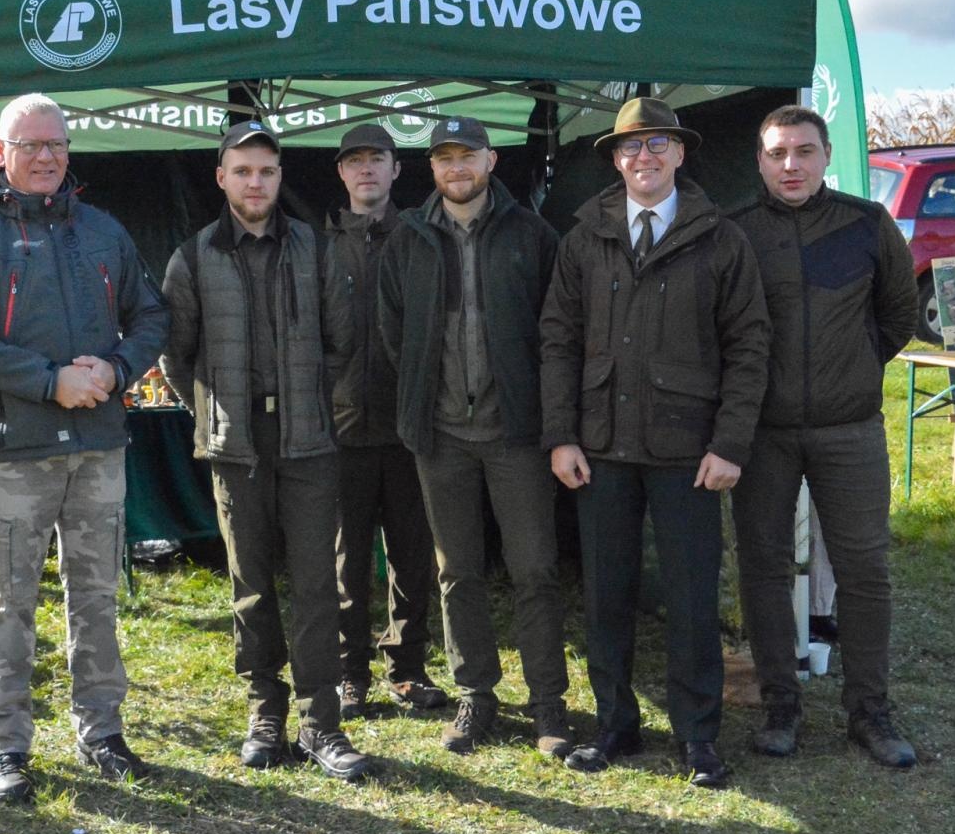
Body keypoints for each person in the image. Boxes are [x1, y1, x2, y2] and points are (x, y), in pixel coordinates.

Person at [0, 94, 169, 802]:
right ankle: (7, 745)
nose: (45, 157)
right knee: (10, 602)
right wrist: (49, 381)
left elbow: (150, 315)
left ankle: (102, 731)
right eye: (30, 145)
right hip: (18, 450)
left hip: (98, 445)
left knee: (95, 595)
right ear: (0, 153)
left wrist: (118, 369)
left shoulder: (101, 230)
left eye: (56, 144)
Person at [540, 97, 770, 789]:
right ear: (615, 159)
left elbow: (749, 345)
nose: (645, 156)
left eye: (658, 144)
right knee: (605, 596)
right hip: (601, 448)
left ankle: (699, 736)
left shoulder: (721, 238)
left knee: (692, 600)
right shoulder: (584, 237)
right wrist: (560, 436)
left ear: (680, 153)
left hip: (688, 452)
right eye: (631, 146)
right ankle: (615, 725)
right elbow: (557, 341)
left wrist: (730, 443)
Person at [160, 120, 371, 781]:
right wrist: (216, 413)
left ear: (281, 178)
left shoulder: (316, 249)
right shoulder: (192, 258)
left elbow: (342, 342)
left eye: (268, 172)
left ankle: (321, 723)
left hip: (308, 442)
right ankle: (265, 713)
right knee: (250, 586)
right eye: (243, 171)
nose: (256, 183)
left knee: (315, 585)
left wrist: (306, 401)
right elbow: (176, 356)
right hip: (236, 447)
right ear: (221, 177)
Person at [377, 116, 573, 762]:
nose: (456, 168)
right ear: (431, 168)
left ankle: (547, 704)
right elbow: (393, 332)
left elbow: (558, 331)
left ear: (492, 161)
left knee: (535, 569)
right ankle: (476, 695)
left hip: (516, 432)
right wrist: (422, 398)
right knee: (456, 571)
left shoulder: (532, 235)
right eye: (444, 158)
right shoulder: (408, 238)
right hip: (441, 436)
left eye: (468, 156)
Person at [729, 104, 919, 768]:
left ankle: (870, 712)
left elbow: (898, 314)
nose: (791, 165)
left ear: (826, 155)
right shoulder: (736, 231)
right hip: (763, 434)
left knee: (865, 570)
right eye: (777, 153)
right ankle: (780, 705)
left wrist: (855, 367)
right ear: (760, 161)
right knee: (762, 567)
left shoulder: (867, 224)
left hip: (850, 430)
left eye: (804, 151)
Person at [324, 124, 448, 719]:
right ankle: (350, 674)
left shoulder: (422, 239)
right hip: (341, 428)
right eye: (355, 161)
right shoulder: (319, 244)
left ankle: (407, 668)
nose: (366, 169)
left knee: (412, 556)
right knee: (346, 562)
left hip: (409, 428)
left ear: (397, 169)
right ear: (341, 173)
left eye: (377, 159)